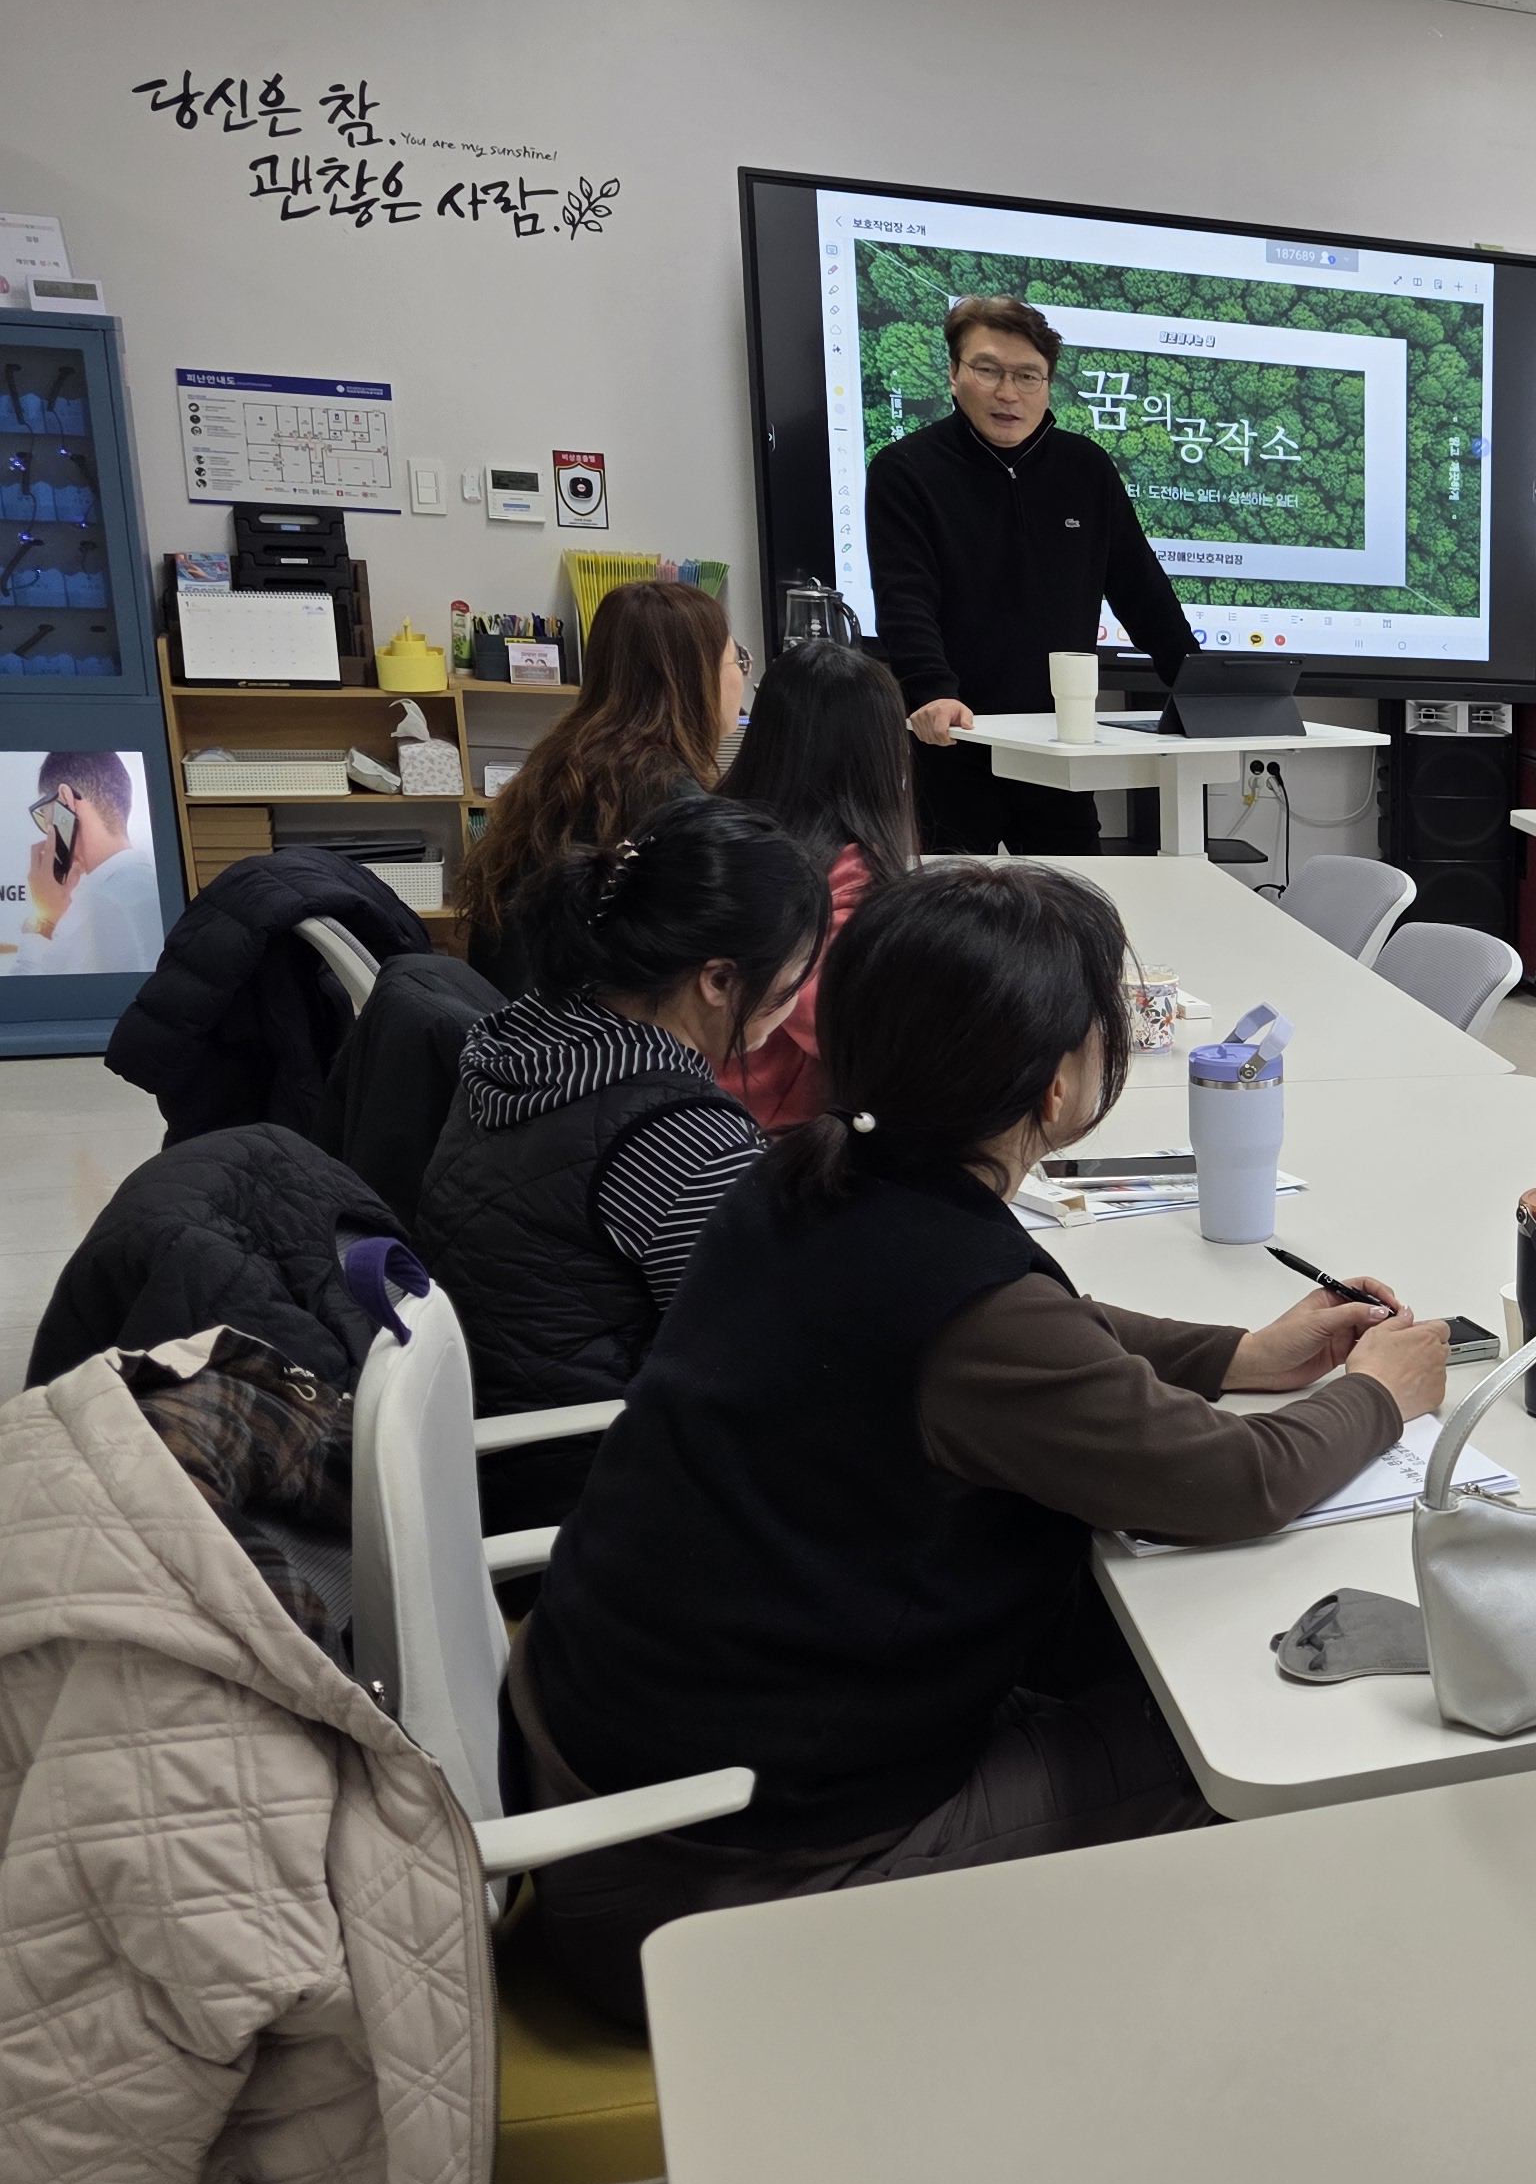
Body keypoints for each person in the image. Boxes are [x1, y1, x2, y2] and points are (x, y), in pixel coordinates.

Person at [509, 859, 1448, 2026]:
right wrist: (1380, 1395)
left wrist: (1241, 1355)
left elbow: (1042, 1330)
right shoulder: (963, 1301)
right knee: (1266, 1746)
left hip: (615, 1772)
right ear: (1057, 1086)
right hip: (718, 1886)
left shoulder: (802, 1172)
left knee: (1124, 1645)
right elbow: (1235, 1480)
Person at [415, 796, 826, 1516]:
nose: (792, 1006)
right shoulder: (680, 1136)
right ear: (719, 980)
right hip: (596, 1489)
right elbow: (775, 1361)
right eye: (790, 986)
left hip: (486, 1443)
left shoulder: (526, 1034)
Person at [866, 293, 1200, 855]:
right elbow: (905, 599)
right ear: (953, 374)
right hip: (955, 738)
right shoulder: (906, 470)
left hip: (1058, 745)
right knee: (949, 902)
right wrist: (931, 690)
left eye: (1027, 375)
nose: (1008, 392)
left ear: (1047, 384)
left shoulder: (1085, 468)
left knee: (1074, 900)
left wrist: (1200, 686)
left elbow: (1141, 590)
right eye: (988, 370)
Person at [451, 578, 744, 993]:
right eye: (737, 660)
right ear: (696, 678)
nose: (743, 677)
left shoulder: (563, 763)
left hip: (514, 1018)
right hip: (574, 1028)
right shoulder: (676, 806)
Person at [713, 635, 919, 1129]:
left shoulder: (710, 831)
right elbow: (853, 1037)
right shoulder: (850, 875)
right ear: (881, 756)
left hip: (682, 1101)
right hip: (770, 1134)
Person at [14, 749, 163, 977]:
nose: (47, 830)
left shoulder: (96, 907)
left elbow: (26, 995)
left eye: (45, 816)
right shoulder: (154, 889)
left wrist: (44, 921)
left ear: (66, 800)